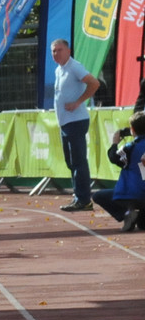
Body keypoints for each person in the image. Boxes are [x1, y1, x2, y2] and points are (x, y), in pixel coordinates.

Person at [51, 38, 100, 212]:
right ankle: (78, 196)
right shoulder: (59, 69)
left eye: (59, 50)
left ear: (68, 51)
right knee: (71, 162)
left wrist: (78, 102)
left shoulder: (74, 67)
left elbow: (94, 83)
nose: (56, 53)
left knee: (78, 161)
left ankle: (84, 199)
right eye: (54, 51)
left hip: (76, 121)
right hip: (65, 123)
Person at [93, 112, 145, 231]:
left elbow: (114, 158)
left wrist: (115, 143)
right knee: (142, 225)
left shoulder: (130, 147)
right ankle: (136, 216)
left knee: (98, 196)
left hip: (131, 195)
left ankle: (127, 214)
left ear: (132, 129)